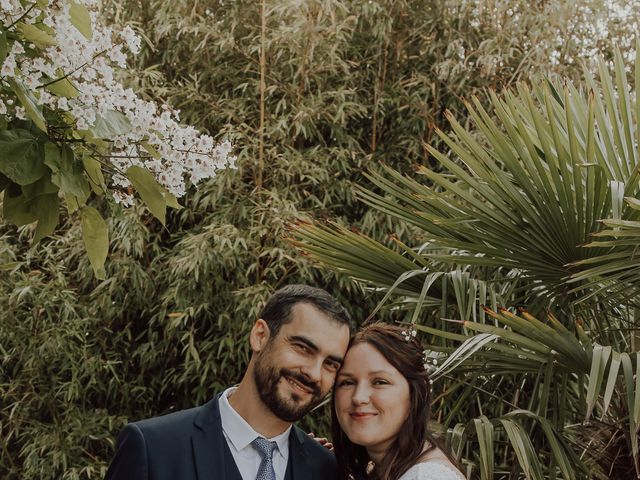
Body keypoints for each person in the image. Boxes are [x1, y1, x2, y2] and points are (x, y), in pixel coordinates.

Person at [106, 284, 352, 480]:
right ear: (260, 336)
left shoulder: (327, 469)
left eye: (330, 364)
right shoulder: (153, 448)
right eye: (303, 348)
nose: (314, 374)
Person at [332, 323, 465, 480]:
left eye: (380, 382)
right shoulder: (378, 469)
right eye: (347, 382)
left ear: (415, 395)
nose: (358, 397)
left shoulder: (426, 476)